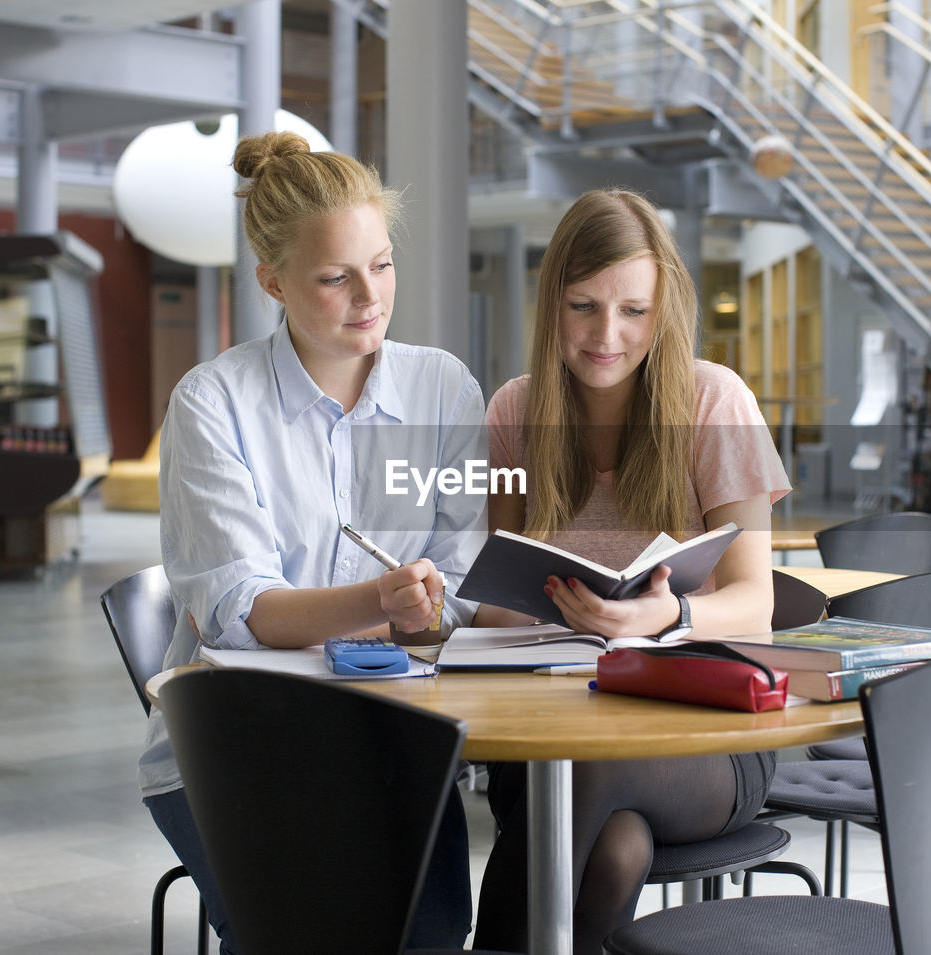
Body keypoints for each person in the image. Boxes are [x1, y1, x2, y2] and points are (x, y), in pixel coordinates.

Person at [137, 131, 486, 953]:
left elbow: (465, 576)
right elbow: (238, 613)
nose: (370, 296)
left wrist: (440, 606)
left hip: (397, 738)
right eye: (335, 278)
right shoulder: (212, 403)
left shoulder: (443, 387)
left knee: (432, 935)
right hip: (239, 744)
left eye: (382, 264)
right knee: (307, 932)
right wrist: (382, 604)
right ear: (273, 281)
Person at [471, 188, 790, 954]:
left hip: (705, 738)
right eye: (583, 306)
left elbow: (757, 602)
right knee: (615, 848)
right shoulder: (516, 414)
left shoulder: (712, 401)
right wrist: (525, 606)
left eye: (633, 311)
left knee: (589, 778)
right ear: (552, 303)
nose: (606, 335)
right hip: (557, 726)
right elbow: (493, 603)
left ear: (663, 309)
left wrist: (665, 617)